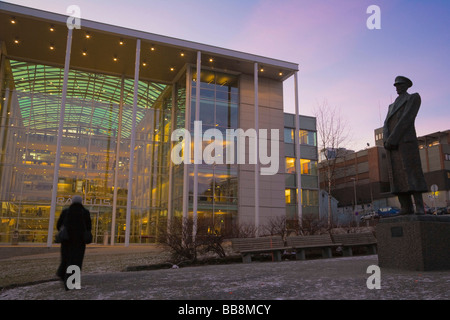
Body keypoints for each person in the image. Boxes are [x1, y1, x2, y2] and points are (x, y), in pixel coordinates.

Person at [382, 76, 427, 215]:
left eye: (400, 85)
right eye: (396, 85)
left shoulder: (413, 98)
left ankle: (419, 206)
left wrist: (393, 138)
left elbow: (406, 119)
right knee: (397, 176)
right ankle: (405, 207)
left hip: (406, 142)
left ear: (407, 85)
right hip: (392, 146)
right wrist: (386, 140)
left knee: (411, 173)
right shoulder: (391, 106)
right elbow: (385, 125)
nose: (397, 87)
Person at [56, 195, 92, 290]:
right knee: (76, 261)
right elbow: (89, 227)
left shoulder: (66, 212)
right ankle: (72, 282)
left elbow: (58, 225)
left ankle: (62, 274)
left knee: (66, 258)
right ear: (81, 202)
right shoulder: (85, 212)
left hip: (67, 240)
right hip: (79, 241)